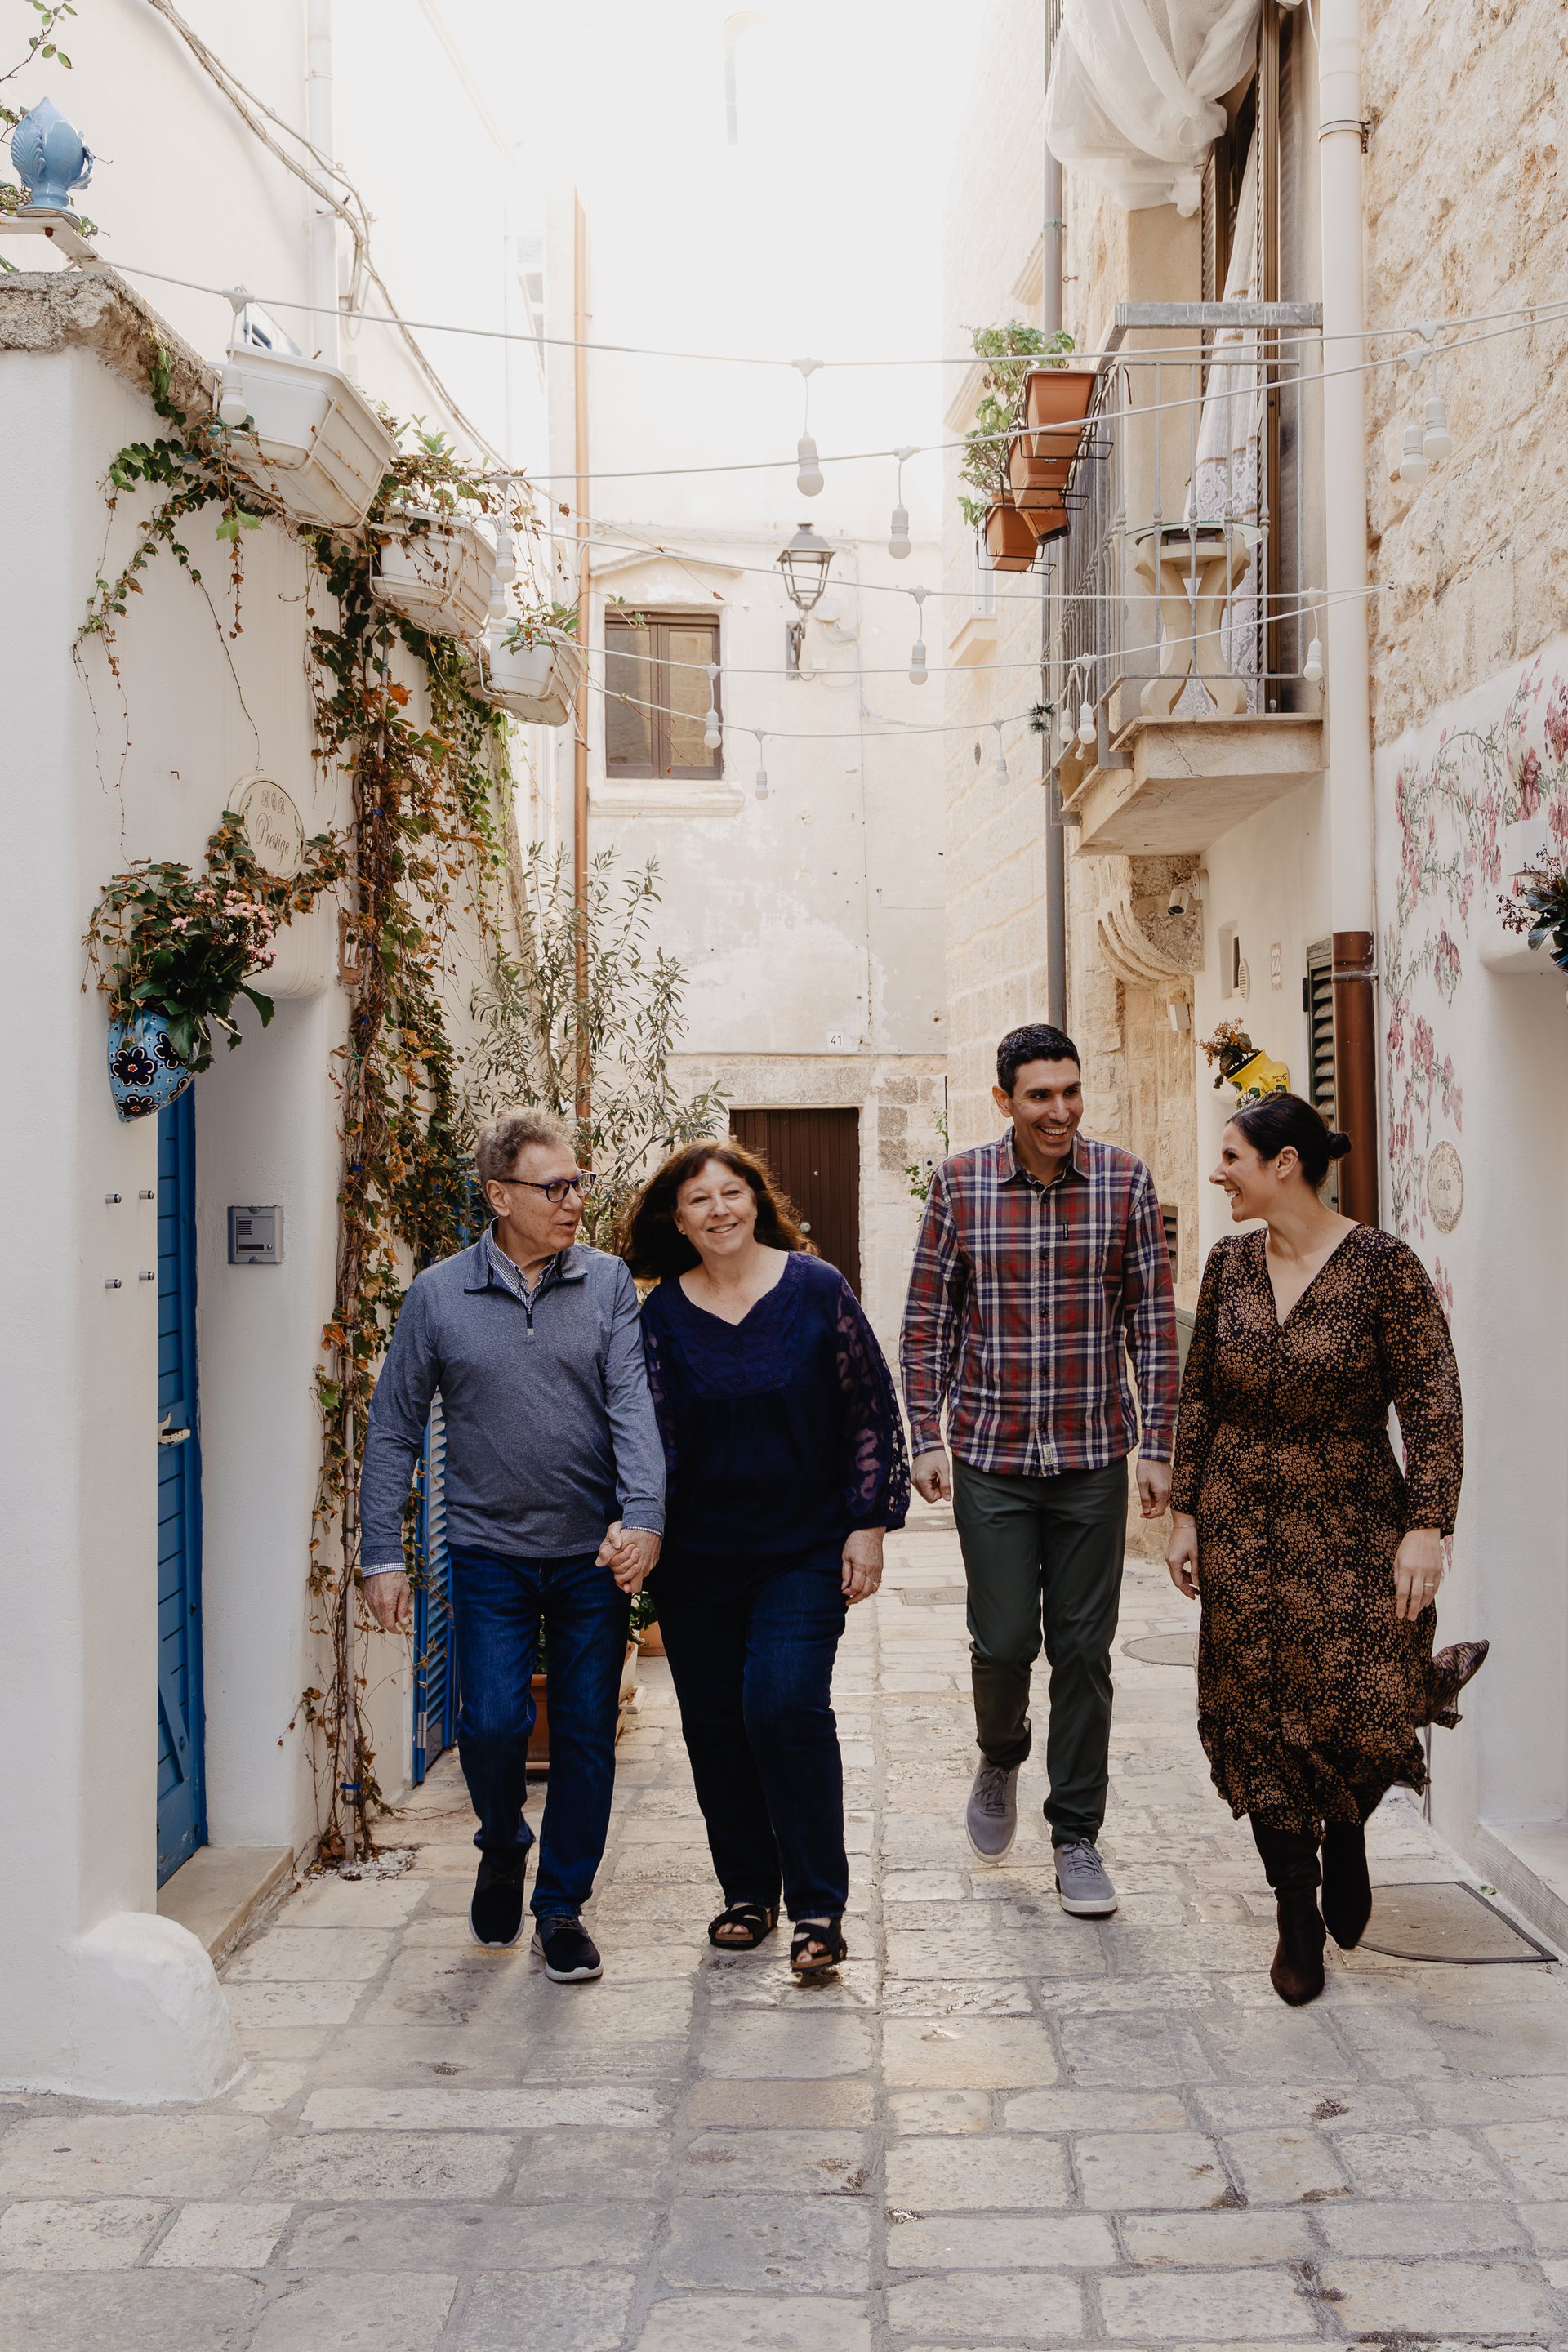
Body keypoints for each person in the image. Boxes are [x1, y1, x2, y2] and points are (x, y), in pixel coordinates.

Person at [1166, 1093, 1484, 2007]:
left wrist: (1427, 1523)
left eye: (1232, 1157)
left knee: (1370, 1699)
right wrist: (1186, 1513)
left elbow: (1433, 1400)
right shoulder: (1228, 1266)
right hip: (1242, 1523)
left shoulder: (1384, 1268)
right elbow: (1200, 1395)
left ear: (1285, 1165)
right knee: (1258, 1714)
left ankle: (1345, 1828)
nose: (1219, 1173)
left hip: (1354, 1518)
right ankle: (1295, 1912)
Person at [359, 1107, 664, 1984]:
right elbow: (394, 1427)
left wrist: (644, 1518)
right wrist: (383, 1553)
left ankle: (561, 1907)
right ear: (499, 1196)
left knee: (585, 1732)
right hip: (487, 1549)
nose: (574, 1200)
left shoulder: (606, 1283)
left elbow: (632, 1405)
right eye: (554, 1186)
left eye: (579, 1183)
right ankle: (501, 1841)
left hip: (591, 1553)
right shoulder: (438, 1296)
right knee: (490, 1723)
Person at [901, 1022, 1178, 1918]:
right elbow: (927, 1320)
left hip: (1093, 1453)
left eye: (1071, 1091)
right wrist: (924, 1433)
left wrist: (1160, 1443)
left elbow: (1152, 1324)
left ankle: (1076, 1836)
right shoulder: (960, 1184)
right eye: (1040, 1096)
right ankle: (1000, 1752)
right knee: (1005, 1640)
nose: (1060, 1111)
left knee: (1085, 1652)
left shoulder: (1125, 1182)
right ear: (1005, 1101)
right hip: (993, 1453)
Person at [619, 1141, 908, 1979]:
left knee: (784, 1707)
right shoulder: (661, 1317)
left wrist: (867, 1523)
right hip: (697, 1559)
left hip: (802, 1548)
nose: (719, 1210)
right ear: (677, 1221)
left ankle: (819, 1905)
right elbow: (646, 1437)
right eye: (698, 1200)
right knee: (714, 1725)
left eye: (732, 1192)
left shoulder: (817, 1289)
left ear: (757, 1201)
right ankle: (748, 1891)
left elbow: (868, 1407)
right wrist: (637, 1527)